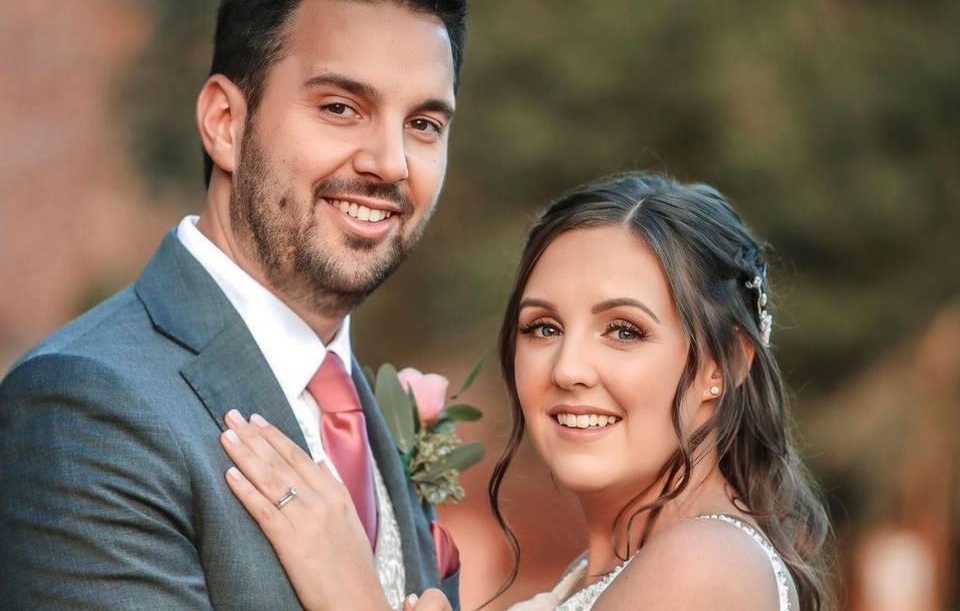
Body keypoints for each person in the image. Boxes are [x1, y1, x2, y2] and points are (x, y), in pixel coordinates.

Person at [0, 0, 467, 609]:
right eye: (340, 108)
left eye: (424, 124)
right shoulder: (85, 405)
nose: (390, 163)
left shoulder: (376, 418)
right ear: (225, 122)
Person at [219, 172, 836, 610]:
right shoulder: (607, 574)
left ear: (723, 364)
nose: (568, 368)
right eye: (543, 327)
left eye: (623, 330)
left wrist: (348, 589)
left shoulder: (705, 566)